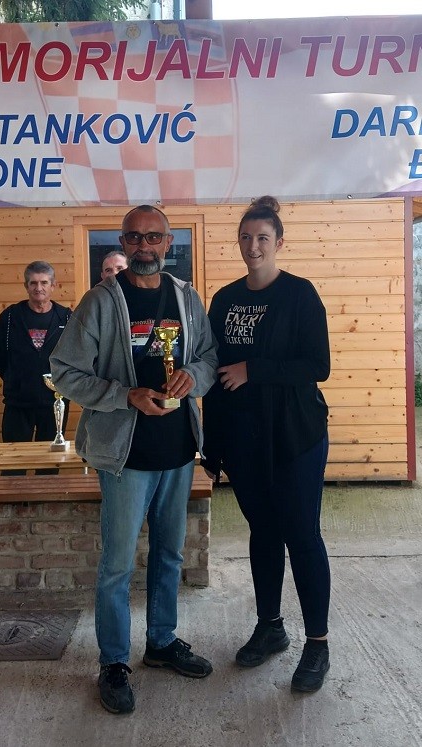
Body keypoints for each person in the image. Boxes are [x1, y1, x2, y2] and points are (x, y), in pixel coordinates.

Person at [50, 205, 218, 715]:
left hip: (178, 452)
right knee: (118, 566)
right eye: (135, 237)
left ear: (168, 243)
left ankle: (162, 642)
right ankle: (114, 662)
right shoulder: (101, 301)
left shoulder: (186, 298)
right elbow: (64, 371)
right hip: (123, 457)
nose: (144, 246)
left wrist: (192, 376)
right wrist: (125, 395)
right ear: (122, 244)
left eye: (154, 237)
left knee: (169, 556)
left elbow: (208, 358)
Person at [201, 195, 332, 693]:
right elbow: (214, 374)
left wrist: (253, 370)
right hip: (245, 440)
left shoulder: (300, 294)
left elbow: (317, 365)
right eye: (245, 237)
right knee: (263, 532)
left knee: (302, 535)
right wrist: (213, 444)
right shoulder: (224, 300)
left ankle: (317, 643)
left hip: (296, 437)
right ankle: (270, 627)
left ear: (278, 242)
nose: (253, 246)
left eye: (262, 238)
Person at [0, 261, 71, 473]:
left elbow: (74, 358)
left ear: (53, 285)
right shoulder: (10, 317)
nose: (39, 288)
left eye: (44, 282)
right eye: (33, 283)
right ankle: (13, 497)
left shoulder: (66, 317)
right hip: (18, 403)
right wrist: (17, 380)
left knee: (49, 467)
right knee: (13, 466)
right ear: (26, 286)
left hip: (55, 403)